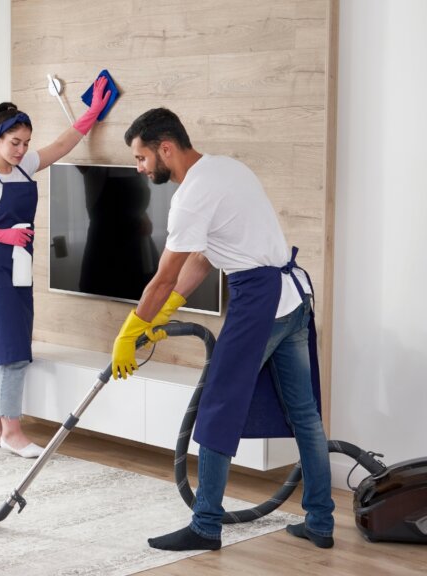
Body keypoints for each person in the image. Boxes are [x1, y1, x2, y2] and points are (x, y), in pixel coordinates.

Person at [110, 107, 335, 550]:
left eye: (141, 158)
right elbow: (203, 257)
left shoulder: (191, 196)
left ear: (166, 148)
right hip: (293, 300)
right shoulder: (225, 168)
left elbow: (164, 275)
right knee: (305, 415)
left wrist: (129, 331)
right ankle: (322, 522)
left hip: (259, 302)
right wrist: (168, 310)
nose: (139, 168)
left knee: (217, 406)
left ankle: (206, 525)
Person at [0, 75, 110, 458]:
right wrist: (2, 236)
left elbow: (62, 144)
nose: (21, 150)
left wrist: (93, 112)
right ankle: (13, 431)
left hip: (18, 268)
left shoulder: (26, 166)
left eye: (25, 143)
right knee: (13, 352)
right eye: (13, 143)